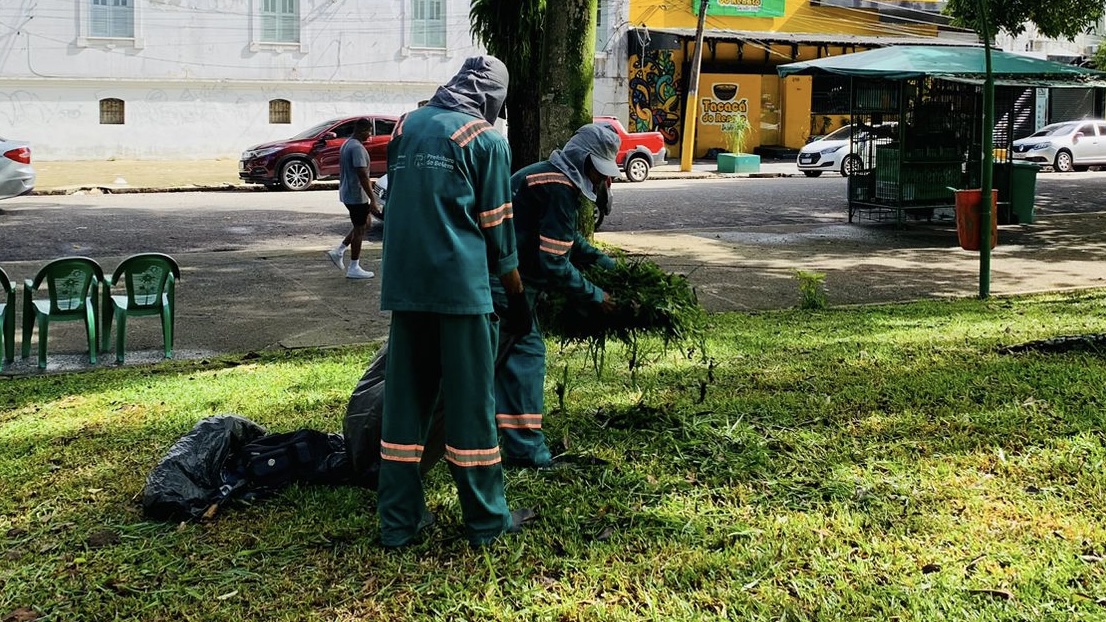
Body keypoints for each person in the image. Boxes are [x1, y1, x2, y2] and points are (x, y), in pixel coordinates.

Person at [377, 55, 534, 548]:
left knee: (405, 408)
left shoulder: (407, 126)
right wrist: (518, 295)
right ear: (492, 99)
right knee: (471, 409)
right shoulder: (485, 140)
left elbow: (398, 201)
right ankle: (487, 521)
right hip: (463, 294)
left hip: (405, 288)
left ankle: (399, 523)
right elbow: (498, 232)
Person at [492, 123, 621, 468]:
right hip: (504, 286)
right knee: (524, 357)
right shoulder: (559, 186)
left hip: (502, 282)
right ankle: (524, 451)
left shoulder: (545, 176)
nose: (599, 179)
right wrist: (597, 296)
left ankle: (505, 440)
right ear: (582, 159)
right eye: (597, 170)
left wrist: (601, 261)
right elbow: (553, 262)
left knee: (498, 362)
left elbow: (562, 240)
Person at [326, 119, 382, 279]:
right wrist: (373, 199)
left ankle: (339, 251)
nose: (370, 136)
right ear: (362, 130)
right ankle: (354, 267)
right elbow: (362, 175)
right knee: (359, 229)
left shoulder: (347, 144)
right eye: (369, 132)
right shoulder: (357, 148)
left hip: (348, 192)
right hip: (356, 195)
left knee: (366, 224)